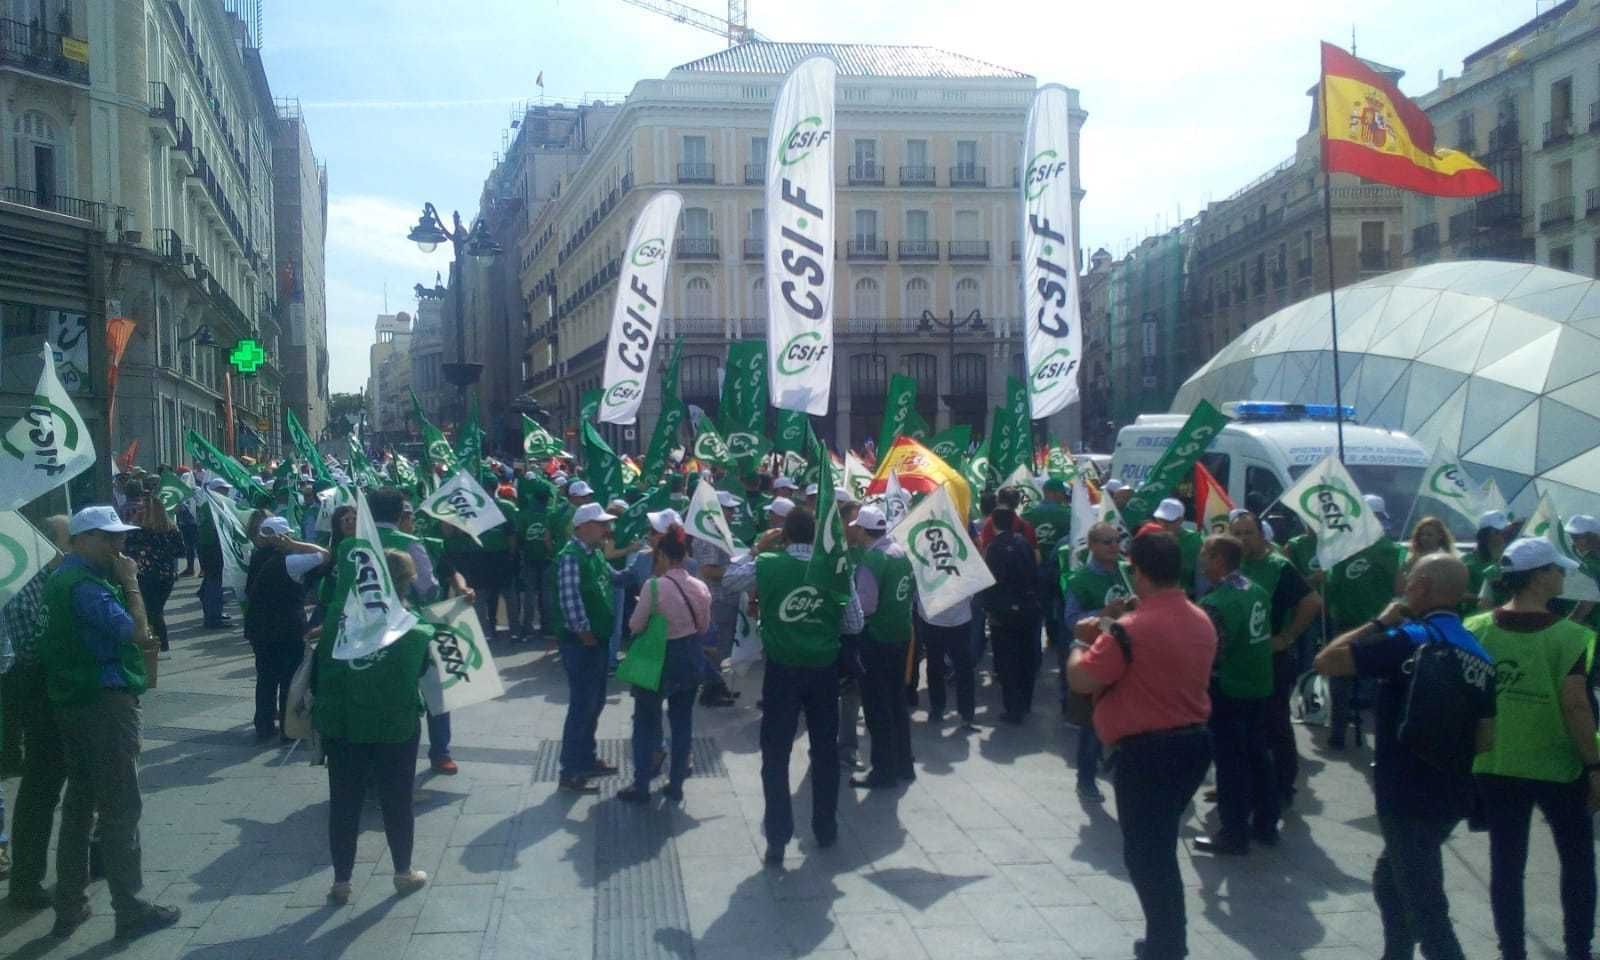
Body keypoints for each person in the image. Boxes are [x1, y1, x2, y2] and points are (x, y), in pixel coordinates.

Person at [1314, 552, 1496, 960]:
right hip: (1452, 792)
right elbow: (1486, 739)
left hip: (1405, 791)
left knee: (1428, 909)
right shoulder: (1478, 652)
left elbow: (1326, 662)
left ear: (1421, 588)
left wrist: (1381, 621)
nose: (1403, 583)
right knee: (1389, 879)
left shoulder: (1409, 639)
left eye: (1409, 578)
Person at [1067, 531, 1215, 960]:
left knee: (1148, 857)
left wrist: (1081, 642)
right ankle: (1166, 938)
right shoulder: (1199, 618)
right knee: (1160, 847)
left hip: (1148, 754)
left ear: (1140, 573)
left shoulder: (1132, 629)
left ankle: (1168, 945)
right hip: (1192, 744)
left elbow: (1082, 678)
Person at [40, 506, 180, 941]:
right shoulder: (86, 584)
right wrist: (132, 583)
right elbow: (136, 632)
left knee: (80, 804)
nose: (119, 546)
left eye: (119, 537)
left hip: (75, 699)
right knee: (121, 808)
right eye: (109, 538)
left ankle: (70, 903)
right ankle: (131, 908)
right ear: (83, 539)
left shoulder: (65, 577)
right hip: (103, 702)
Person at [1467, 538, 1597, 960]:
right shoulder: (1571, 634)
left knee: (1507, 863)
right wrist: (1595, 763)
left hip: (1495, 761)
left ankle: (1512, 951)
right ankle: (1578, 948)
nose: (1562, 575)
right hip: (1558, 764)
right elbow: (1576, 703)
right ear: (1540, 576)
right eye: (1557, 569)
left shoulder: (1477, 628)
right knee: (1576, 859)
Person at [721, 509, 865, 864]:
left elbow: (729, 579)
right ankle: (825, 827)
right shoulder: (835, 570)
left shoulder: (767, 564)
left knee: (775, 753)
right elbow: (855, 623)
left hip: (782, 671)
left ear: (784, 535)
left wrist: (756, 548)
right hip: (822, 670)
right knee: (825, 751)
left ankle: (778, 835)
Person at [311, 549, 433, 904]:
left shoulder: (337, 619)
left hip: (344, 724)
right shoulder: (411, 625)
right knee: (397, 800)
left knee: (344, 802)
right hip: (395, 723)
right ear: (406, 582)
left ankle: (341, 882)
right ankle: (403, 872)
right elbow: (421, 669)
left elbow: (320, 671)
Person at [371, 489, 468, 775]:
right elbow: (428, 587)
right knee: (435, 688)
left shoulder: (355, 542)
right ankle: (440, 753)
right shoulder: (410, 543)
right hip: (410, 625)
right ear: (399, 514)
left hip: (367, 629)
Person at [618, 510, 711, 804]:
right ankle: (676, 783)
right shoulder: (700, 586)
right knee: (682, 722)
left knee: (645, 721)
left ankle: (642, 784)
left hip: (656, 659)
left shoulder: (653, 586)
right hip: (689, 657)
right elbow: (704, 626)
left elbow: (635, 625)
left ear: (662, 557)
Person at [1194, 534, 1279, 854]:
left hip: (1230, 688)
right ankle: (1267, 824)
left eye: (1206, 555)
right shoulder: (1254, 589)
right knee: (1259, 756)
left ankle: (1233, 832)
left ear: (1218, 559)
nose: (1202, 562)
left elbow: (1212, 653)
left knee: (1230, 763)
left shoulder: (1217, 603)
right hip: (1259, 682)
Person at [1230, 510, 1321, 806]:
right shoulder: (1235, 566)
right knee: (1243, 727)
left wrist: (1287, 637)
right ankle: (1242, 784)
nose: (1243, 539)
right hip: (1241, 660)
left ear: (1261, 534)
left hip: (1274, 660)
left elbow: (1312, 601)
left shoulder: (1278, 566)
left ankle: (1283, 787)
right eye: (1237, 533)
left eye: (1248, 532)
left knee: (1275, 725)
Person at [5, 516, 70, 910]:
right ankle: (26, 880)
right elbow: (30, 645)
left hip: (38, 688)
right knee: (40, 785)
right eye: (66, 542)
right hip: (33, 690)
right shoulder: (25, 580)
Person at [1059, 521, 1133, 802]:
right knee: (1091, 724)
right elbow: (1070, 621)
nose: (1114, 546)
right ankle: (1086, 777)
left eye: (1116, 541)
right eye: (1106, 542)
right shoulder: (1080, 580)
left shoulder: (1127, 572)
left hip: (1126, 654)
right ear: (1091, 546)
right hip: (1095, 654)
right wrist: (1104, 612)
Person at [555, 502, 626, 793]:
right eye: (601, 524)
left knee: (593, 703)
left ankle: (586, 758)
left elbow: (615, 578)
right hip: (583, 644)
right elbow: (570, 600)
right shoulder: (571, 556)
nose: (607, 529)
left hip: (597, 640)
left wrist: (643, 561)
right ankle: (571, 770)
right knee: (582, 705)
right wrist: (584, 633)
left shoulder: (594, 552)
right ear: (583, 526)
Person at [244, 516, 329, 743]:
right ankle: (287, 728)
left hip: (259, 627)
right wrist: (296, 546)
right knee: (289, 679)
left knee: (265, 678)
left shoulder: (257, 556)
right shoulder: (289, 561)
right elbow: (324, 555)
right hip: (286, 627)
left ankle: (263, 726)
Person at [848, 505, 916, 789]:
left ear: (863, 530)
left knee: (877, 708)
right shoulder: (900, 554)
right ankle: (904, 763)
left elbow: (866, 605)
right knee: (897, 702)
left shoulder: (873, 560)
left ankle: (883, 771)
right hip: (900, 635)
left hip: (876, 640)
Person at [1322, 521, 1405, 750]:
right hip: (1351, 624)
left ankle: (1377, 740)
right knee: (1344, 680)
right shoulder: (1343, 550)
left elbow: (1399, 589)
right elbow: (1331, 586)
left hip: (1376, 626)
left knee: (1373, 684)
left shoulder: (1389, 550)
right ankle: (1340, 732)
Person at [984, 503, 1042, 723]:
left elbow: (991, 581)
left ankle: (1013, 708)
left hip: (1004, 614)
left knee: (1007, 662)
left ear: (994, 523)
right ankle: (1025, 703)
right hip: (1028, 609)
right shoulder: (1024, 543)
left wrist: (989, 608)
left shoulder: (994, 547)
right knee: (1026, 658)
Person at [122, 485, 185, 653]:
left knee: (152, 610)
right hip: (166, 575)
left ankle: (159, 644)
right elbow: (181, 551)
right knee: (156, 609)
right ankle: (157, 643)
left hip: (146, 574)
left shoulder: (137, 531)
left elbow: (126, 549)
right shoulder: (171, 530)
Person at [196, 478, 233, 628]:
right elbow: (216, 529)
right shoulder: (212, 507)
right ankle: (213, 617)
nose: (227, 492)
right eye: (223, 490)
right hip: (213, 547)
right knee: (215, 582)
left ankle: (214, 612)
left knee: (213, 581)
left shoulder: (206, 504)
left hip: (207, 547)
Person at [1466, 510, 1516, 614]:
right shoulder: (1467, 562)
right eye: (1498, 531)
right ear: (1485, 534)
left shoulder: (1513, 559)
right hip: (1477, 619)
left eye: (1506, 531)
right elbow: (1458, 595)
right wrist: (1486, 597)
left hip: (1507, 619)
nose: (1504, 534)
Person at [1150, 497, 1202, 596]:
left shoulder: (1196, 540)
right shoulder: (1151, 537)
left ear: (1181, 520)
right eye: (1161, 519)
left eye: (1169, 520)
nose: (1164, 524)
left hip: (1187, 596)